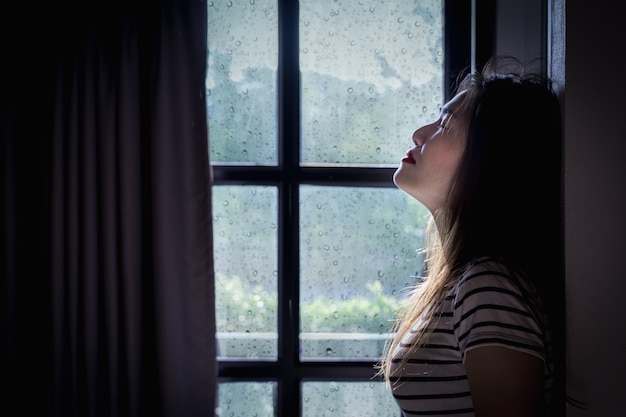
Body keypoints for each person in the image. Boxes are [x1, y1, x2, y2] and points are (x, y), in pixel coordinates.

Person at [378, 57, 566, 417]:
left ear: (490, 160)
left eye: (445, 124)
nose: (419, 133)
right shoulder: (466, 281)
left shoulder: (488, 286)